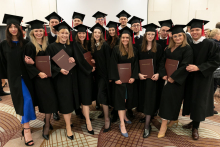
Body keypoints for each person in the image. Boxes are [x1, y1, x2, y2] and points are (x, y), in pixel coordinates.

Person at [0, 14, 36, 146]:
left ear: (20, 29)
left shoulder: (26, 43)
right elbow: (3, 63)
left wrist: (31, 62)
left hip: (26, 77)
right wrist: (6, 78)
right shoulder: (3, 45)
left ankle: (25, 125)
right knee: (24, 100)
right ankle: (27, 130)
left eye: (16, 26)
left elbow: (33, 60)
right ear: (8, 29)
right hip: (14, 78)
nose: (14, 29)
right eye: (11, 27)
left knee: (26, 100)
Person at [183, 19, 220, 140]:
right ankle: (193, 122)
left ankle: (196, 127)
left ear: (202, 30)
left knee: (199, 101)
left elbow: (215, 61)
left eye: (197, 30)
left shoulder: (210, 43)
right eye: (192, 30)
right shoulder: (189, 44)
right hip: (190, 78)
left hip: (203, 78)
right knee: (191, 99)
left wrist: (199, 67)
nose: (194, 32)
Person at [24, 20, 58, 140]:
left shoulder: (47, 44)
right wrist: (38, 73)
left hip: (50, 77)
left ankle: (47, 121)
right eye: (36, 31)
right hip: (40, 79)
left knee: (51, 101)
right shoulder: (29, 45)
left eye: (40, 31)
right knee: (48, 101)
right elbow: (27, 64)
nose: (39, 33)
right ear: (32, 32)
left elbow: (53, 59)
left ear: (44, 32)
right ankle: (47, 125)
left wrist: (68, 60)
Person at [157, 25, 193, 138]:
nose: (177, 38)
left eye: (179, 36)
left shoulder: (187, 49)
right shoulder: (168, 48)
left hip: (177, 80)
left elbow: (185, 65)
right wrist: (163, 74)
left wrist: (173, 77)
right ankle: (173, 119)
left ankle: (163, 125)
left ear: (183, 36)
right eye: (175, 36)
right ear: (172, 37)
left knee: (171, 101)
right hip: (167, 78)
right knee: (168, 100)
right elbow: (162, 62)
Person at [45, 21, 79, 140]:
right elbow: (48, 65)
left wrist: (73, 59)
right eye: (62, 33)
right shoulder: (51, 47)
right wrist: (59, 70)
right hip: (60, 79)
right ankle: (68, 128)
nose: (64, 35)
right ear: (58, 34)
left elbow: (75, 62)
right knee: (65, 102)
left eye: (66, 33)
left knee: (70, 101)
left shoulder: (70, 46)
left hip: (71, 78)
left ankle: (68, 122)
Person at [110, 27, 138, 137]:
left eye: (127, 37)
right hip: (120, 81)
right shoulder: (116, 49)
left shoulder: (134, 50)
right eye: (123, 37)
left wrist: (134, 77)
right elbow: (112, 64)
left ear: (130, 39)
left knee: (127, 100)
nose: (125, 39)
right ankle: (122, 124)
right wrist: (116, 78)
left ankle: (125, 116)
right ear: (120, 38)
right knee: (121, 100)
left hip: (129, 80)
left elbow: (136, 65)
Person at [137, 23, 163, 138]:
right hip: (142, 79)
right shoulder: (139, 47)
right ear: (145, 34)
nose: (151, 36)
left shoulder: (158, 47)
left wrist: (158, 73)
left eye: (153, 34)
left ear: (155, 34)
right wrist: (138, 73)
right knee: (143, 99)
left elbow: (162, 62)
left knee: (150, 100)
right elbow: (135, 62)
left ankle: (147, 125)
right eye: (149, 34)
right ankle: (147, 117)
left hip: (153, 79)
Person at [72, 24, 95, 135]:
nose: (81, 35)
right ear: (77, 34)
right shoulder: (75, 45)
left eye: (83, 33)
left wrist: (93, 62)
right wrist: (90, 69)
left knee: (87, 96)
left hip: (88, 74)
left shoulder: (87, 44)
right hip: (81, 74)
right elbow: (79, 61)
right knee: (85, 98)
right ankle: (88, 121)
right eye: (80, 33)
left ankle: (85, 115)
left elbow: (89, 57)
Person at [90, 23, 111, 132]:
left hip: (104, 75)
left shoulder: (105, 45)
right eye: (95, 32)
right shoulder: (93, 45)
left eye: (99, 32)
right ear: (92, 34)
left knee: (102, 95)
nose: (97, 34)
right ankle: (105, 114)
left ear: (102, 34)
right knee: (100, 95)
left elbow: (108, 61)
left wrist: (110, 76)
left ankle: (107, 119)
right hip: (96, 75)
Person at [45, 11, 62, 121]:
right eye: (52, 22)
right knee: (52, 90)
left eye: (56, 22)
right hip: (50, 67)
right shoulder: (45, 37)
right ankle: (55, 111)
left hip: (62, 66)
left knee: (61, 90)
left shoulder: (63, 35)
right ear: (49, 23)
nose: (54, 24)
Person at [71, 12, 86, 118]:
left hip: (84, 67)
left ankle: (82, 109)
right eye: (75, 20)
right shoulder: (70, 34)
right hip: (74, 67)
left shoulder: (86, 35)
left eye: (79, 21)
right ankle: (77, 109)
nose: (77, 22)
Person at [106, 21, 120, 122]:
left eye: (113, 30)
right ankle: (113, 109)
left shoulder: (119, 41)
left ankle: (116, 112)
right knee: (111, 91)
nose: (111, 31)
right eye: (110, 30)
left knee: (117, 91)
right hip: (109, 68)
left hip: (118, 68)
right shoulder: (107, 41)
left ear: (116, 30)